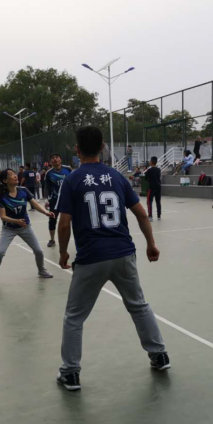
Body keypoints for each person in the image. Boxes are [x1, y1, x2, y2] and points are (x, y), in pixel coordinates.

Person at [55, 126, 170, 392]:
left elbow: (64, 223)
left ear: (77, 150)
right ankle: (159, 355)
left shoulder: (72, 180)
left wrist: (63, 252)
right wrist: (151, 244)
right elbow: (141, 214)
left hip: (91, 257)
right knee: (139, 306)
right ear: (103, 147)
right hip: (123, 253)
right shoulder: (116, 177)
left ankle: (70, 373)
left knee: (74, 317)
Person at [0, 169, 55, 287]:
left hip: (25, 227)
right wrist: (16, 221)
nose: (15, 176)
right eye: (12, 175)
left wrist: (46, 212)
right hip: (9, 229)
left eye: (15, 174)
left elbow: (35, 204)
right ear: (5, 180)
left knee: (38, 251)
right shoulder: (1, 195)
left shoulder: (23, 190)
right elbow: (3, 217)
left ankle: (41, 270)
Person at [44, 153, 72, 248]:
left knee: (72, 220)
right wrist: (46, 199)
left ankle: (77, 238)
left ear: (60, 159)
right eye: (53, 158)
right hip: (54, 200)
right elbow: (46, 187)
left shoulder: (68, 169)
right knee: (52, 219)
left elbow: (73, 182)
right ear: (50, 161)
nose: (55, 159)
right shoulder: (49, 173)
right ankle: (52, 239)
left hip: (67, 199)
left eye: (57, 157)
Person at [145, 156, 162, 222]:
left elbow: (146, 178)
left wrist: (150, 180)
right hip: (158, 187)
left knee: (149, 202)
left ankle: (150, 216)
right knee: (158, 202)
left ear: (151, 162)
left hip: (152, 188)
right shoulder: (158, 170)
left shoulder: (149, 170)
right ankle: (159, 216)